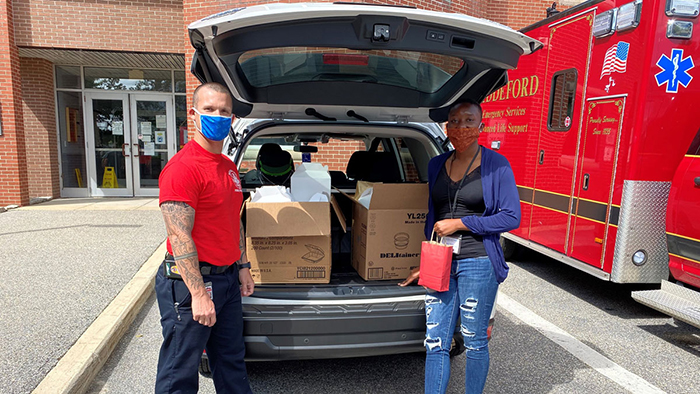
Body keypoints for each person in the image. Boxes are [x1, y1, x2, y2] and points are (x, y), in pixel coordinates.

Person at [399, 100, 521, 394]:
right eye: (454, 121)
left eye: (468, 121)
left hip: (478, 262)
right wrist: (424, 260)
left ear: (481, 126)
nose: (461, 127)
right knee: (435, 340)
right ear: (446, 127)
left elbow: (511, 216)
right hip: (441, 262)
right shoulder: (436, 164)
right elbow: (433, 216)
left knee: (474, 338)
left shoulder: (497, 165)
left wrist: (461, 223)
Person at [155, 82, 255, 394]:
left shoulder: (227, 167)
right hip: (190, 284)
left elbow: (232, 218)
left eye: (225, 111)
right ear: (194, 114)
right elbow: (178, 233)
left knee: (231, 361)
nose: (218, 116)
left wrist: (242, 265)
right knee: (180, 371)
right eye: (210, 110)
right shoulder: (183, 168)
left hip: (227, 280)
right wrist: (199, 294)